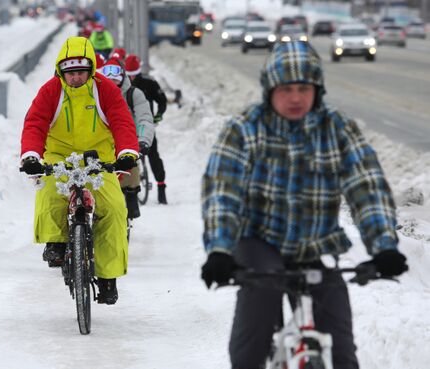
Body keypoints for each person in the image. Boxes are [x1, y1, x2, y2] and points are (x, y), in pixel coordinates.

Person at [200, 41, 408, 369]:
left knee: (341, 348)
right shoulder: (244, 128)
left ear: (318, 90)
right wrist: (220, 251)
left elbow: (366, 187)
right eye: (286, 89)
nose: (296, 98)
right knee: (257, 316)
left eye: (304, 88)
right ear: (270, 90)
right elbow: (223, 193)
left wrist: (384, 247)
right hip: (258, 241)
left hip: (316, 243)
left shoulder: (337, 128)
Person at [20, 36, 139, 305]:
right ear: (61, 71)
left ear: (91, 70)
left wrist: (126, 153)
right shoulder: (50, 91)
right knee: (50, 190)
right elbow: (35, 124)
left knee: (115, 209)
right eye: (70, 73)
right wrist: (31, 156)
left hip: (99, 159)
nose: (75, 78)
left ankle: (108, 279)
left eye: (81, 72)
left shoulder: (105, 90)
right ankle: (57, 243)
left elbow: (122, 121)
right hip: (59, 154)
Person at [101, 57, 155, 219]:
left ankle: (131, 194)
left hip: (126, 139)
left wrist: (143, 139)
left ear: (122, 76)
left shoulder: (133, 95)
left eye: (115, 74)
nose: (111, 78)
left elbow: (144, 117)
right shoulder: (94, 95)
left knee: (131, 166)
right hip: (102, 141)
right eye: (107, 73)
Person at [124, 53, 169, 204]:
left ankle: (161, 187)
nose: (131, 78)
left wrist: (158, 115)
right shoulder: (121, 86)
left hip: (145, 126)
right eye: (128, 75)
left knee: (153, 156)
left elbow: (162, 100)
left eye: (134, 75)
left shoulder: (150, 84)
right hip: (127, 127)